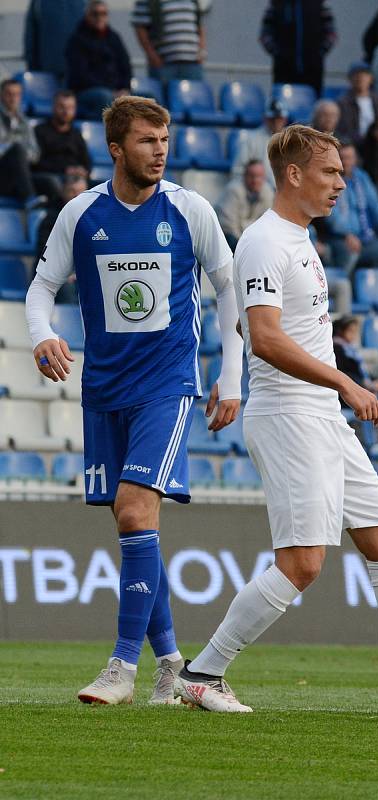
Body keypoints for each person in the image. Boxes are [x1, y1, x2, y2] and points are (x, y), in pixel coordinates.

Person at [174, 124, 378, 719]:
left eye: (343, 174)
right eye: (329, 173)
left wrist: (336, 392)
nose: (340, 185)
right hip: (289, 414)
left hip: (322, 416)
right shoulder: (264, 241)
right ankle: (202, 674)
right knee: (302, 564)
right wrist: (345, 381)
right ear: (294, 174)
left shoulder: (301, 239)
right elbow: (265, 338)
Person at [25, 95, 243, 705]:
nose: (160, 150)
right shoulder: (81, 214)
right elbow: (41, 288)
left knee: (132, 508)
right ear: (116, 149)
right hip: (104, 391)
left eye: (165, 139)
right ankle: (173, 663)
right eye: (147, 141)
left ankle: (121, 667)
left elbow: (229, 292)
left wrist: (231, 376)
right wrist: (42, 334)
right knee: (134, 524)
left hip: (166, 387)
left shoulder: (190, 209)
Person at [325, 143, 378, 271]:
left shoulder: (362, 178)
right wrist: (347, 234)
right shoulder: (329, 178)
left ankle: (375, 289)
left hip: (366, 238)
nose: (346, 162)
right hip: (340, 238)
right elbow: (331, 214)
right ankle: (344, 289)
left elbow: (377, 207)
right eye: (342, 158)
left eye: (349, 158)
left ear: (355, 159)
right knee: (351, 253)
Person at [65, 0, 132, 121]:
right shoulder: (77, 40)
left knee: (150, 99)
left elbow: (126, 66)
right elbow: (81, 75)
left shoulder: (114, 38)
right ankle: (107, 136)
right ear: (87, 16)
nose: (99, 17)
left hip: (115, 91)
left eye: (103, 14)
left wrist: (125, 88)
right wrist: (112, 92)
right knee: (105, 98)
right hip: (86, 91)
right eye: (95, 14)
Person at [259, 0, 336, 97]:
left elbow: (331, 34)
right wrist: (278, 53)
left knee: (313, 104)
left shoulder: (319, 4)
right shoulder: (276, 4)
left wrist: (319, 53)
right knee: (282, 103)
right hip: (283, 70)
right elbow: (265, 35)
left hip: (312, 70)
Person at [33, 174, 89, 305]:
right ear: (63, 192)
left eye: (81, 192)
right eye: (72, 192)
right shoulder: (52, 218)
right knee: (65, 287)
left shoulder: (95, 217)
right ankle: (69, 324)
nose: (77, 197)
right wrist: (67, 273)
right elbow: (45, 252)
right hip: (57, 272)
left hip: (83, 271)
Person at [33, 91, 91, 205]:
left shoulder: (76, 134)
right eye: (62, 107)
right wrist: (65, 169)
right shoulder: (40, 131)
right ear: (53, 107)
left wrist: (83, 170)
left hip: (75, 178)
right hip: (52, 176)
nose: (66, 112)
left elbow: (87, 162)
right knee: (55, 182)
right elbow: (36, 162)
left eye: (70, 108)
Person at [132, 0, 207, 85]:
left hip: (193, 63)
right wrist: (153, 57)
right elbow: (140, 28)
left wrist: (201, 52)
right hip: (164, 64)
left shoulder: (193, 1)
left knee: (194, 95)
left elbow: (200, 26)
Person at [0, 78, 49, 206]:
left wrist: (21, 154)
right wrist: (16, 150)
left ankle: (52, 221)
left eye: (16, 94)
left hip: (21, 175)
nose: (13, 98)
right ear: (1, 95)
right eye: (9, 94)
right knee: (17, 149)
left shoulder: (24, 121)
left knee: (50, 183)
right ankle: (29, 197)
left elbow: (35, 153)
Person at [333, 315, 378, 410]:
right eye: (351, 331)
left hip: (361, 384)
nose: (354, 335)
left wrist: (375, 380)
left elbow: (362, 371)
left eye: (356, 331)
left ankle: (377, 423)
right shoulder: (336, 348)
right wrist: (364, 385)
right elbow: (342, 372)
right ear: (340, 331)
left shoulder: (352, 349)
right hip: (349, 390)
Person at [216, 160, 275, 252]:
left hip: (252, 239)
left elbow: (268, 226)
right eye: (252, 176)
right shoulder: (233, 191)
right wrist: (246, 248)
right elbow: (229, 228)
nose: (255, 180)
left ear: (264, 177)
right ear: (244, 176)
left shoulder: (268, 192)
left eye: (259, 176)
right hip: (232, 239)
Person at [231, 99, 288, 188]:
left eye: (279, 118)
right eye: (272, 119)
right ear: (265, 118)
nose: (276, 122)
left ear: (285, 119)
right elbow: (237, 171)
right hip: (258, 191)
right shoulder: (251, 139)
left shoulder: (291, 140)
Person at [24, 0, 86, 82]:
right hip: (80, 71)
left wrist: (34, 70)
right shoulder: (86, 3)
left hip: (49, 71)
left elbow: (30, 41)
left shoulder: (38, 3)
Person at [336, 61, 378, 148]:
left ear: (371, 78)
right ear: (349, 79)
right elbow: (344, 129)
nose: (360, 78)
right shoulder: (342, 103)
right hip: (354, 145)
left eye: (364, 75)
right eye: (356, 75)